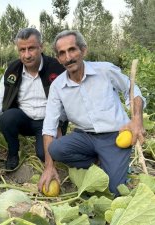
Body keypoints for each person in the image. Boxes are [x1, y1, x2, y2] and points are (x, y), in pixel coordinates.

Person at [38, 30, 146, 196]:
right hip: (85, 137)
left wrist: (137, 119)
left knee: (114, 191)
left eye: (72, 50)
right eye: (62, 53)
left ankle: (110, 161)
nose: (68, 57)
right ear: (58, 58)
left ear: (83, 50)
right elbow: (49, 126)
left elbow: (131, 89)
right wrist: (49, 167)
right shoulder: (57, 86)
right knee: (56, 148)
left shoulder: (105, 71)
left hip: (116, 137)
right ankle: (97, 161)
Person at [0, 28, 67, 170]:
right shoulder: (12, 70)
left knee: (45, 155)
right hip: (24, 119)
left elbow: (67, 99)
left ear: (41, 47)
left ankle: (43, 143)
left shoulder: (57, 68)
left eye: (31, 48)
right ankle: (13, 153)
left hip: (48, 121)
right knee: (7, 118)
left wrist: (59, 123)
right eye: (22, 50)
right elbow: (0, 99)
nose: (27, 55)